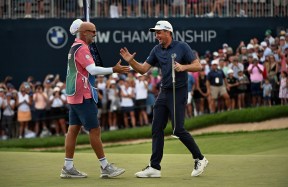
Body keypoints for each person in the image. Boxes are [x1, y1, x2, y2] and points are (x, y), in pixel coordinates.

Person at [120, 20, 208, 178]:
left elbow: (198, 66)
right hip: (164, 92)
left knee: (178, 129)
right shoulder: (156, 49)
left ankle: (200, 158)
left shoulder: (182, 47)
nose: (156, 35)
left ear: (168, 32)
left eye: (159, 32)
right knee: (156, 128)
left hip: (179, 92)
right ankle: (154, 167)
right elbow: (142, 70)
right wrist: (131, 61)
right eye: (155, 33)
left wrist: (183, 67)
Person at [60, 19, 129, 179]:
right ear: (84, 32)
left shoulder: (74, 47)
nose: (95, 34)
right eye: (93, 31)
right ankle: (105, 167)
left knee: (73, 130)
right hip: (83, 94)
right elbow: (92, 69)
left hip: (74, 94)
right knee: (95, 130)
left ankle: (68, 167)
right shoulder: (82, 48)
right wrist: (114, 69)